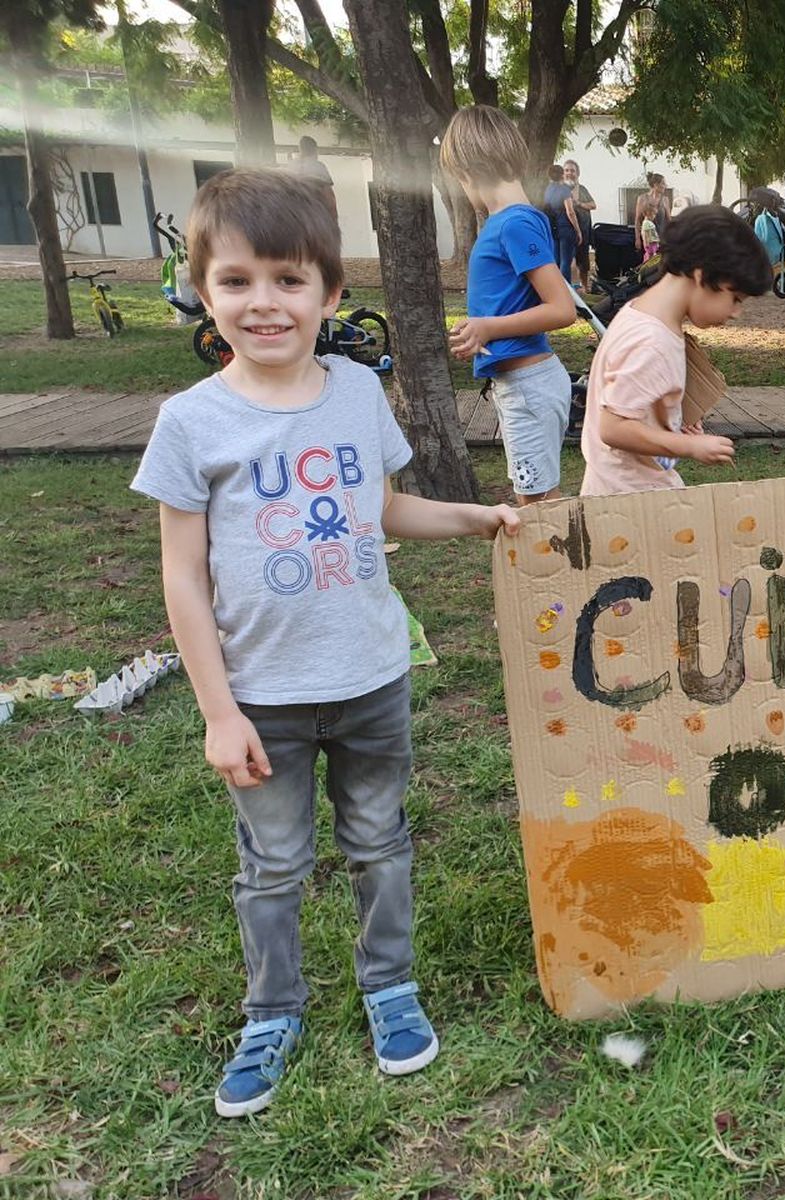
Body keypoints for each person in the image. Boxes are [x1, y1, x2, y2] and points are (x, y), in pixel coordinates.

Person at [130, 168, 522, 1119]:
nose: (263, 303)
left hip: (373, 677)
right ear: (202, 291)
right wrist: (219, 713)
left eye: (288, 280)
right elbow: (183, 577)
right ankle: (272, 1011)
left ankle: (389, 987)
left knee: (380, 842)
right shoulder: (190, 423)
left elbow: (381, 506)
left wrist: (473, 518)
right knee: (273, 865)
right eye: (236, 281)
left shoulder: (354, 390)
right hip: (262, 695)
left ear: (330, 294)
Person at [439, 105, 578, 503]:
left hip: (528, 387)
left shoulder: (514, 223)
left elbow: (561, 309)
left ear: (467, 173)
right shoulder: (511, 222)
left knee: (536, 508)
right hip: (521, 384)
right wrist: (480, 330)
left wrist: (488, 328)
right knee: (540, 500)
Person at [581, 205, 769, 497]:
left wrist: (671, 429)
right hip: (631, 500)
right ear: (701, 275)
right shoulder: (652, 342)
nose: (736, 313)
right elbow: (614, 428)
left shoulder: (641, 313)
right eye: (735, 298)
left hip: (628, 488)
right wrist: (689, 446)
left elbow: (634, 406)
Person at [541, 164, 582, 287]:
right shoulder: (564, 190)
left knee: (556, 259)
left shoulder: (547, 190)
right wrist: (578, 230)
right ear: (562, 175)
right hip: (565, 227)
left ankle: (556, 287)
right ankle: (567, 289)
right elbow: (570, 211)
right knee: (566, 261)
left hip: (553, 227)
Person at [563, 159, 597, 289]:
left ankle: (585, 288)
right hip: (566, 231)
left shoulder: (582, 189)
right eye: (567, 170)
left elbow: (593, 205)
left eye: (572, 170)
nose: (569, 173)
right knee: (566, 262)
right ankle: (568, 289)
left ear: (578, 173)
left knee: (583, 262)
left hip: (584, 231)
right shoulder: (560, 189)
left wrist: (579, 204)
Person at [294, 135, 336, 219]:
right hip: (316, 211)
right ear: (314, 150)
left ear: (300, 149)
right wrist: (333, 215)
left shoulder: (292, 166)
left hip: (297, 213)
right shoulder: (318, 166)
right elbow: (328, 192)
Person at [634, 173, 670, 257]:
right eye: (663, 183)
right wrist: (637, 238)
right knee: (649, 263)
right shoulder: (642, 199)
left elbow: (669, 220)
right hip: (648, 241)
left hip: (662, 239)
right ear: (656, 185)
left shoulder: (665, 200)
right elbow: (638, 220)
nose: (665, 186)